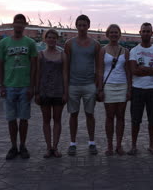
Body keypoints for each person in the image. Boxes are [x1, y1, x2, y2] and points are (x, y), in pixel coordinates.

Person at [0, 14, 37, 160]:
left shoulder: (30, 43)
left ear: (25, 25)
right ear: (13, 24)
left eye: (22, 23)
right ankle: (13, 146)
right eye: (17, 22)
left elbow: (34, 65)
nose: (19, 25)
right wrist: (1, 85)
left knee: (24, 119)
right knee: (11, 119)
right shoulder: (4, 43)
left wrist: (32, 86)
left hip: (25, 86)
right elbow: (0, 64)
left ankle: (23, 145)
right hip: (9, 86)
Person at [64, 14, 101, 156]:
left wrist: (98, 86)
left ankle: (92, 142)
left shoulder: (95, 44)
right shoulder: (69, 43)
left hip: (89, 84)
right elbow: (66, 66)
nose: (82, 28)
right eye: (79, 25)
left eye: (84, 25)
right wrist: (66, 86)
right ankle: (72, 143)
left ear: (88, 26)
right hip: (73, 84)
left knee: (90, 114)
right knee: (73, 115)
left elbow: (98, 67)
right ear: (76, 26)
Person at [128, 22, 153, 155]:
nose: (146, 33)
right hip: (137, 88)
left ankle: (151, 145)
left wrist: (143, 68)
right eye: (144, 31)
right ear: (140, 32)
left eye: (148, 31)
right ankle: (133, 145)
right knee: (135, 119)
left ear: (152, 33)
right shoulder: (134, 51)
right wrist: (152, 70)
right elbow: (133, 70)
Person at [97, 24, 131, 156]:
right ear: (107, 34)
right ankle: (110, 145)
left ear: (119, 34)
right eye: (111, 32)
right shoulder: (103, 50)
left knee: (121, 117)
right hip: (109, 85)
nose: (113, 35)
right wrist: (100, 88)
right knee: (109, 117)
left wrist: (129, 89)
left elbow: (128, 71)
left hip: (122, 85)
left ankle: (119, 145)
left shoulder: (125, 51)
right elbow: (100, 70)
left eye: (116, 32)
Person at [35, 29, 68, 158]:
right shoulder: (40, 55)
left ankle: (55, 147)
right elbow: (38, 73)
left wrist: (66, 91)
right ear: (45, 39)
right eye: (49, 37)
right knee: (46, 120)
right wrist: (36, 91)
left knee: (58, 120)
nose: (51, 40)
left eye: (54, 38)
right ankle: (48, 147)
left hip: (58, 91)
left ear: (57, 39)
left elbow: (65, 74)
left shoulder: (62, 55)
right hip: (44, 90)